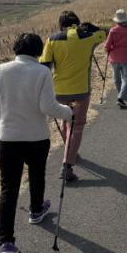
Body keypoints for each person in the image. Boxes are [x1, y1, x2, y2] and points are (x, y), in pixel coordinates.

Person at [0, 33, 73, 253]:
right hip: (36, 136)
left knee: (9, 188)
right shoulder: (42, 72)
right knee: (37, 174)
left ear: (16, 49)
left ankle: (6, 242)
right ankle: (36, 210)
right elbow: (48, 107)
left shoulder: (0, 70)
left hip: (8, 138)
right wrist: (67, 112)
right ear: (38, 51)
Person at [40, 11, 106, 182]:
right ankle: (67, 164)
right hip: (81, 91)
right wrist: (88, 27)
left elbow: (44, 66)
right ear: (77, 23)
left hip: (59, 91)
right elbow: (103, 34)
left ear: (61, 24)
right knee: (77, 126)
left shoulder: (52, 39)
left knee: (65, 122)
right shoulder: (88, 38)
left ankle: (71, 152)